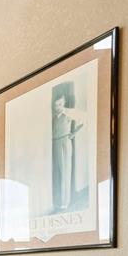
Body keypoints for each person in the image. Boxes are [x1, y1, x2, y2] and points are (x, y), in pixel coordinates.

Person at [51, 81, 86, 212]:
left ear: (64, 102)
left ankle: (65, 202)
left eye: (60, 104)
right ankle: (59, 201)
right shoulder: (54, 116)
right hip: (55, 142)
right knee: (58, 172)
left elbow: (84, 119)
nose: (58, 107)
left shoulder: (68, 113)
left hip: (65, 142)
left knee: (65, 171)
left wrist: (73, 133)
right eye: (56, 105)